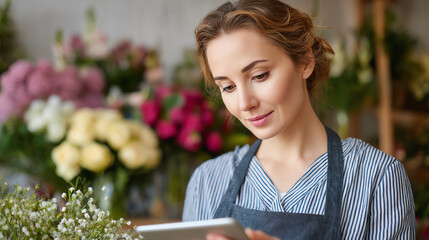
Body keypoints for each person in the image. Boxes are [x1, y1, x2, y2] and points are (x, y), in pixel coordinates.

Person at [182, 0, 416, 239]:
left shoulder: (376, 177)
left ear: (305, 61)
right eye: (228, 87)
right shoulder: (208, 182)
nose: (244, 103)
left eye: (259, 75)